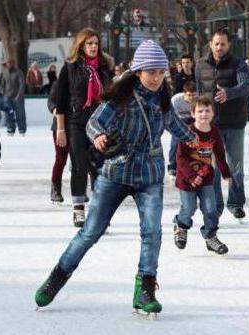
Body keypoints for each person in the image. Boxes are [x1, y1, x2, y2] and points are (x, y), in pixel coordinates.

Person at [34, 39, 197, 316]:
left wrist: (196, 139)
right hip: (116, 172)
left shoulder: (162, 101)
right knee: (91, 232)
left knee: (152, 232)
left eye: (160, 72)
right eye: (151, 72)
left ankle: (144, 290)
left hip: (149, 175)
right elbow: (94, 122)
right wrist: (97, 136)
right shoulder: (122, 97)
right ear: (138, 72)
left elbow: (175, 126)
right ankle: (56, 278)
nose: (157, 78)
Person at [55, 28, 113, 227]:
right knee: (79, 165)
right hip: (76, 122)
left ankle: (99, 212)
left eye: (96, 43)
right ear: (81, 45)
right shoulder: (70, 66)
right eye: (89, 43)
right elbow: (60, 100)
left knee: (99, 167)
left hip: (99, 123)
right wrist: (61, 129)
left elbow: (111, 95)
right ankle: (79, 208)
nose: (93, 47)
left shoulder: (105, 67)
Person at [194, 28, 249, 221]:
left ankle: (235, 203)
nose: (219, 47)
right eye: (216, 43)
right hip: (211, 125)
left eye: (223, 44)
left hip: (234, 122)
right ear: (210, 44)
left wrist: (229, 93)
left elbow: (245, 87)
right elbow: (199, 94)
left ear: (229, 45)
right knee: (213, 167)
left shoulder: (238, 64)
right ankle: (216, 206)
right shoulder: (200, 65)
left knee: (235, 165)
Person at [173, 96, 232, 254]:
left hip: (206, 178)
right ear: (193, 113)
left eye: (207, 110)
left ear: (213, 113)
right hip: (187, 179)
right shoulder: (188, 132)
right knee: (189, 208)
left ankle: (210, 236)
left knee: (210, 208)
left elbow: (219, 154)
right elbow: (180, 158)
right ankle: (181, 226)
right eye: (200, 111)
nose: (204, 114)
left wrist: (226, 173)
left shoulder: (214, 133)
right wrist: (191, 176)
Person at [167, 81, 197, 178]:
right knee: (175, 142)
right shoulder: (176, 100)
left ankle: (193, 164)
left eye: (193, 95)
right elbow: (171, 116)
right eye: (189, 95)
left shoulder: (198, 99)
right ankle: (172, 166)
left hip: (193, 120)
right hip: (179, 121)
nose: (191, 98)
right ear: (184, 93)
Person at [47, 79, 68, 204]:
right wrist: (55, 110)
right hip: (59, 127)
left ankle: (80, 191)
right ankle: (55, 189)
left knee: (82, 160)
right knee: (61, 159)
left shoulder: (83, 81)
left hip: (77, 125)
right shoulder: (58, 83)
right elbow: (50, 101)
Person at [0, 59, 26, 136]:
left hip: (18, 97)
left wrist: (18, 96)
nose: (9, 64)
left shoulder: (19, 72)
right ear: (6, 64)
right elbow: (1, 85)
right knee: (9, 113)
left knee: (20, 114)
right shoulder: (4, 73)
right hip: (7, 97)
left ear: (13, 63)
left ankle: (22, 129)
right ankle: (10, 129)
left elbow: (22, 85)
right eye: (7, 63)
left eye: (10, 62)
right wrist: (3, 96)